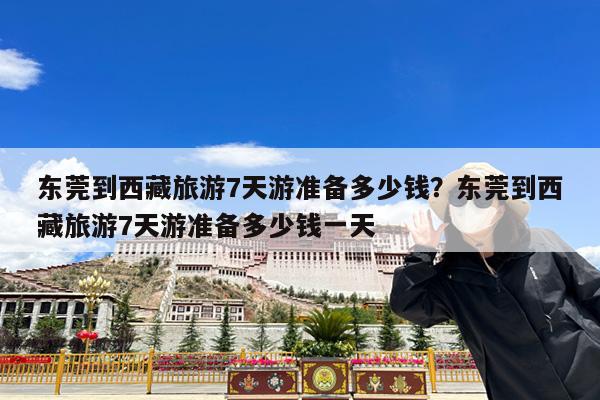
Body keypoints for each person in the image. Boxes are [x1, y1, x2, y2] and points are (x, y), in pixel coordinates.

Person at [390, 162, 600, 400]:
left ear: (500, 209)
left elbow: (594, 292)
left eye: (481, 197)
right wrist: (422, 252)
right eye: (459, 198)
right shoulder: (450, 278)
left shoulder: (541, 242)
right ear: (450, 211)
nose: (469, 205)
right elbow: (407, 305)